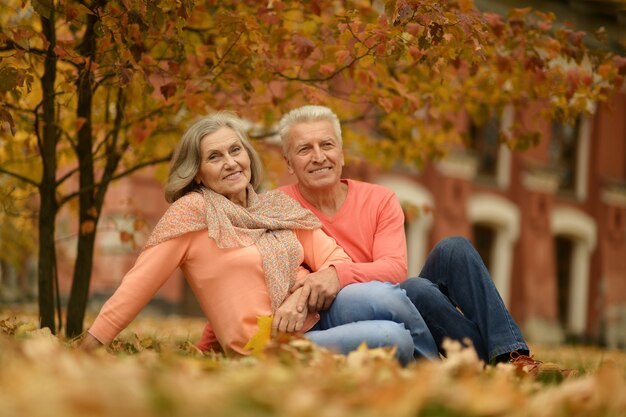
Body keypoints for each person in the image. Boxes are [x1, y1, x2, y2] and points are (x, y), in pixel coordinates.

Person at [79, 112, 430, 365]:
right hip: (267, 342)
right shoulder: (191, 214)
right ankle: (438, 380)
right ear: (197, 171)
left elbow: (336, 260)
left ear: (248, 156)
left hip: (314, 314)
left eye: (236, 150)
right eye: (214, 157)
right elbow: (136, 285)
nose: (230, 163)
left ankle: (442, 368)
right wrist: (89, 346)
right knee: (392, 337)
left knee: (387, 296)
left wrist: (301, 297)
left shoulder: (273, 208)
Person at [269, 104, 568, 375]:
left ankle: (513, 357)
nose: (319, 156)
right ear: (289, 162)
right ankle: (491, 365)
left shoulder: (379, 198)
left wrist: (335, 274)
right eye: (304, 149)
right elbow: (285, 278)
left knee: (453, 251)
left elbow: (393, 269)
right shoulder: (278, 208)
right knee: (415, 289)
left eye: (327, 145)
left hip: (399, 305)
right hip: (347, 319)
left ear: (342, 153)